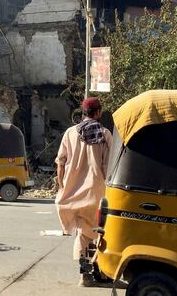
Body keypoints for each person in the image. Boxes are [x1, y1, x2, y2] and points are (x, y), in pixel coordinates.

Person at [55, 97, 112, 287]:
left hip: (74, 193)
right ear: (98, 112)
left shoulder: (70, 133)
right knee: (101, 233)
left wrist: (62, 186)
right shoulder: (104, 134)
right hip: (98, 193)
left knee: (82, 234)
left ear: (83, 112)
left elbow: (60, 163)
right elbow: (109, 166)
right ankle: (101, 272)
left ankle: (84, 275)